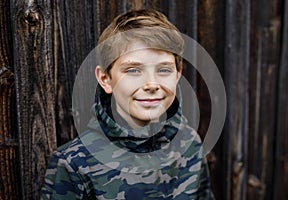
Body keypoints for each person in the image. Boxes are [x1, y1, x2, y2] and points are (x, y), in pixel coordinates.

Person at [41, 9, 214, 199]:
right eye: (133, 70)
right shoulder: (75, 164)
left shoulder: (190, 143)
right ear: (106, 79)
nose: (151, 84)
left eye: (164, 70)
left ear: (178, 74)